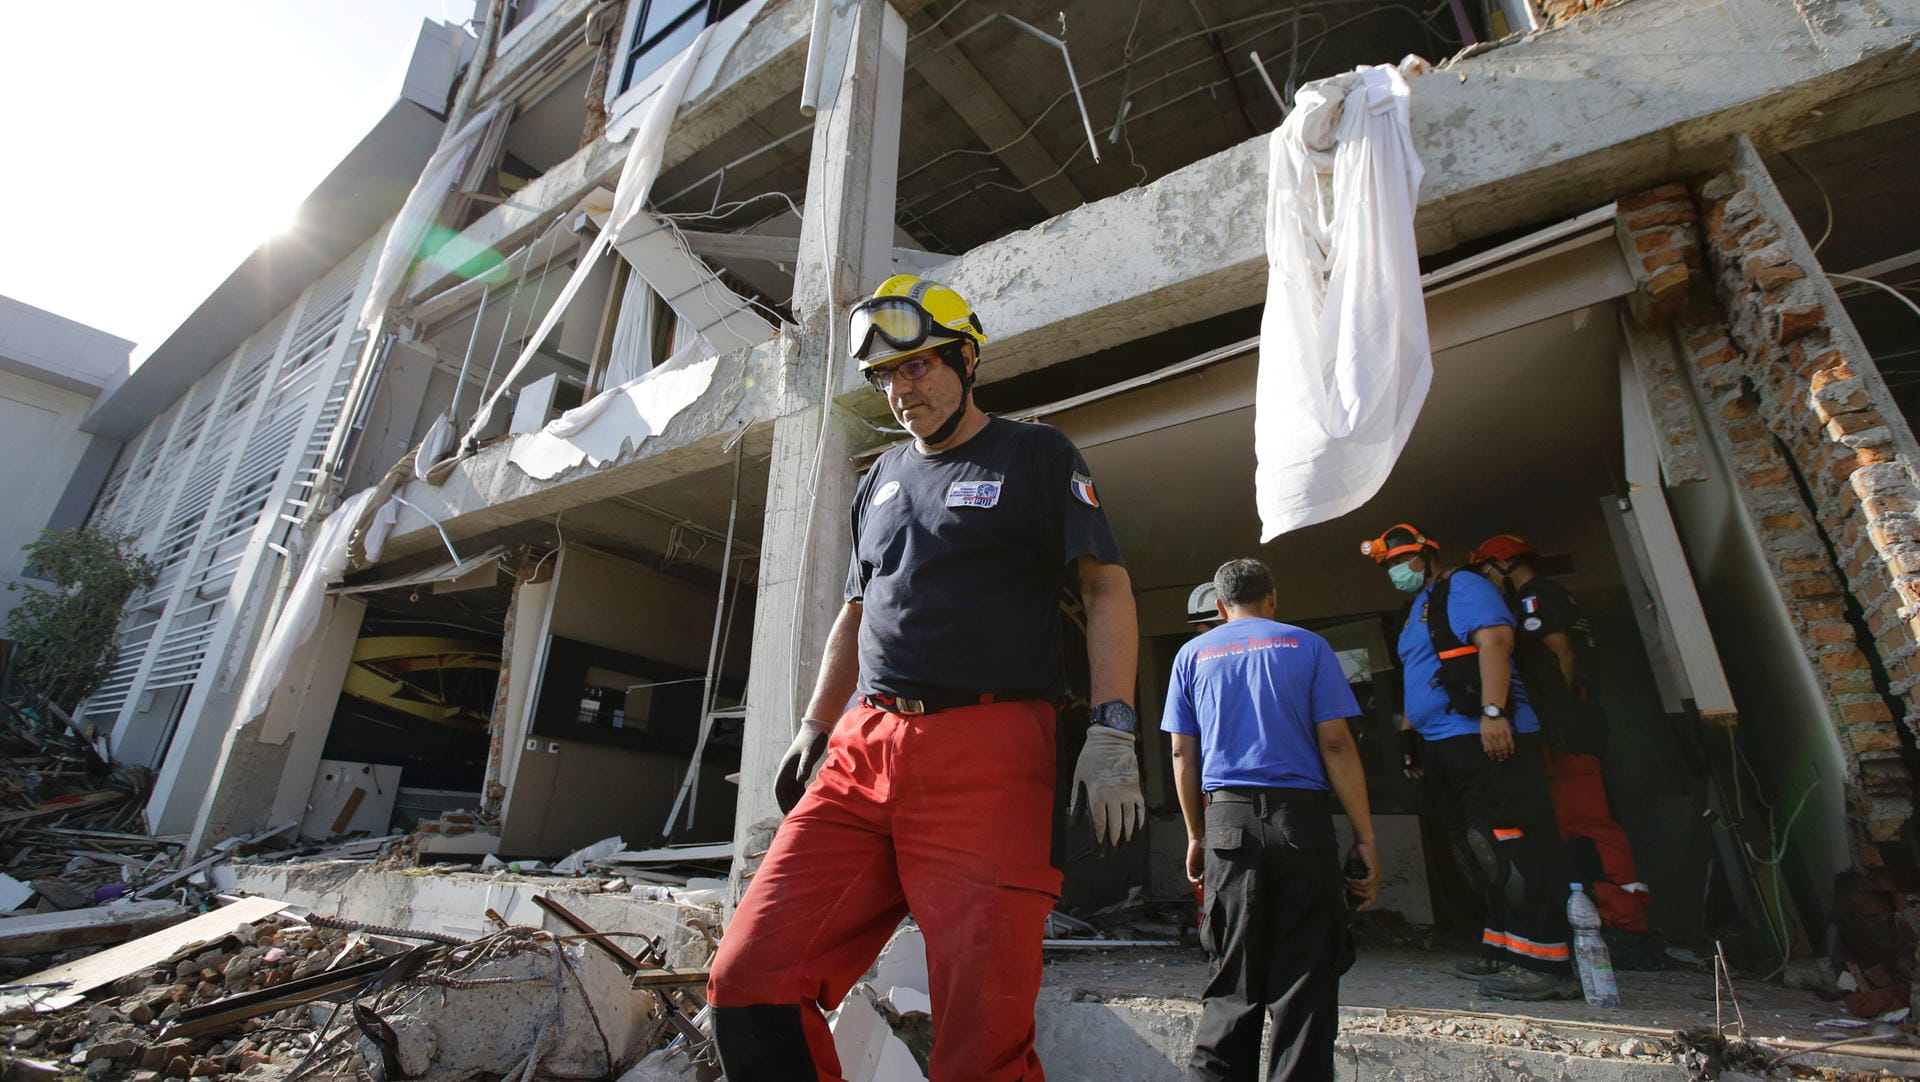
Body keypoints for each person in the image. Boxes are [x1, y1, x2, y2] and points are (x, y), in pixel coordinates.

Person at [707, 275, 1143, 1081]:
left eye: (917, 367)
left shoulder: (1036, 453)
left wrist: (1114, 725)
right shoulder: (878, 480)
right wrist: (814, 723)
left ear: (968, 357)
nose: (900, 390)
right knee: (750, 979)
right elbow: (854, 612)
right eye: (884, 376)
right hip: (864, 747)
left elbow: (1104, 586)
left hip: (990, 750)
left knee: (980, 1041)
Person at [1164, 558, 1380, 1081]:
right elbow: (1335, 742)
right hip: (1300, 821)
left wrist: (1197, 834)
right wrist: (1365, 837)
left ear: (1219, 605)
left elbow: (1181, 755)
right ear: (1273, 598)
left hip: (1228, 821)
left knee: (1232, 976)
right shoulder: (1307, 646)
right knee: (1306, 977)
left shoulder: (1192, 654)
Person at [1359, 522, 1578, 1001]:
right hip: (1442, 743)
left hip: (1484, 736)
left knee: (1507, 843)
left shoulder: (1465, 586)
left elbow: (1495, 643)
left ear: (1428, 553)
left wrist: (1494, 713)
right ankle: (1502, 947)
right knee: (1471, 849)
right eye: (1390, 564)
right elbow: (1421, 674)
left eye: (1404, 559)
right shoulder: (1418, 605)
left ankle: (1545, 960)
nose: (1398, 570)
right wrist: (1407, 736)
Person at [1467, 534, 1651, 939]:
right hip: (1575, 723)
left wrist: (1559, 712)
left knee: (1584, 820)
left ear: (1505, 565)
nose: (1485, 579)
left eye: (1486, 570)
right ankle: (1606, 915)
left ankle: (1625, 922)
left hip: (1569, 729)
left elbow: (1561, 653)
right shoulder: (1554, 595)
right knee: (1574, 821)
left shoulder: (1535, 597)